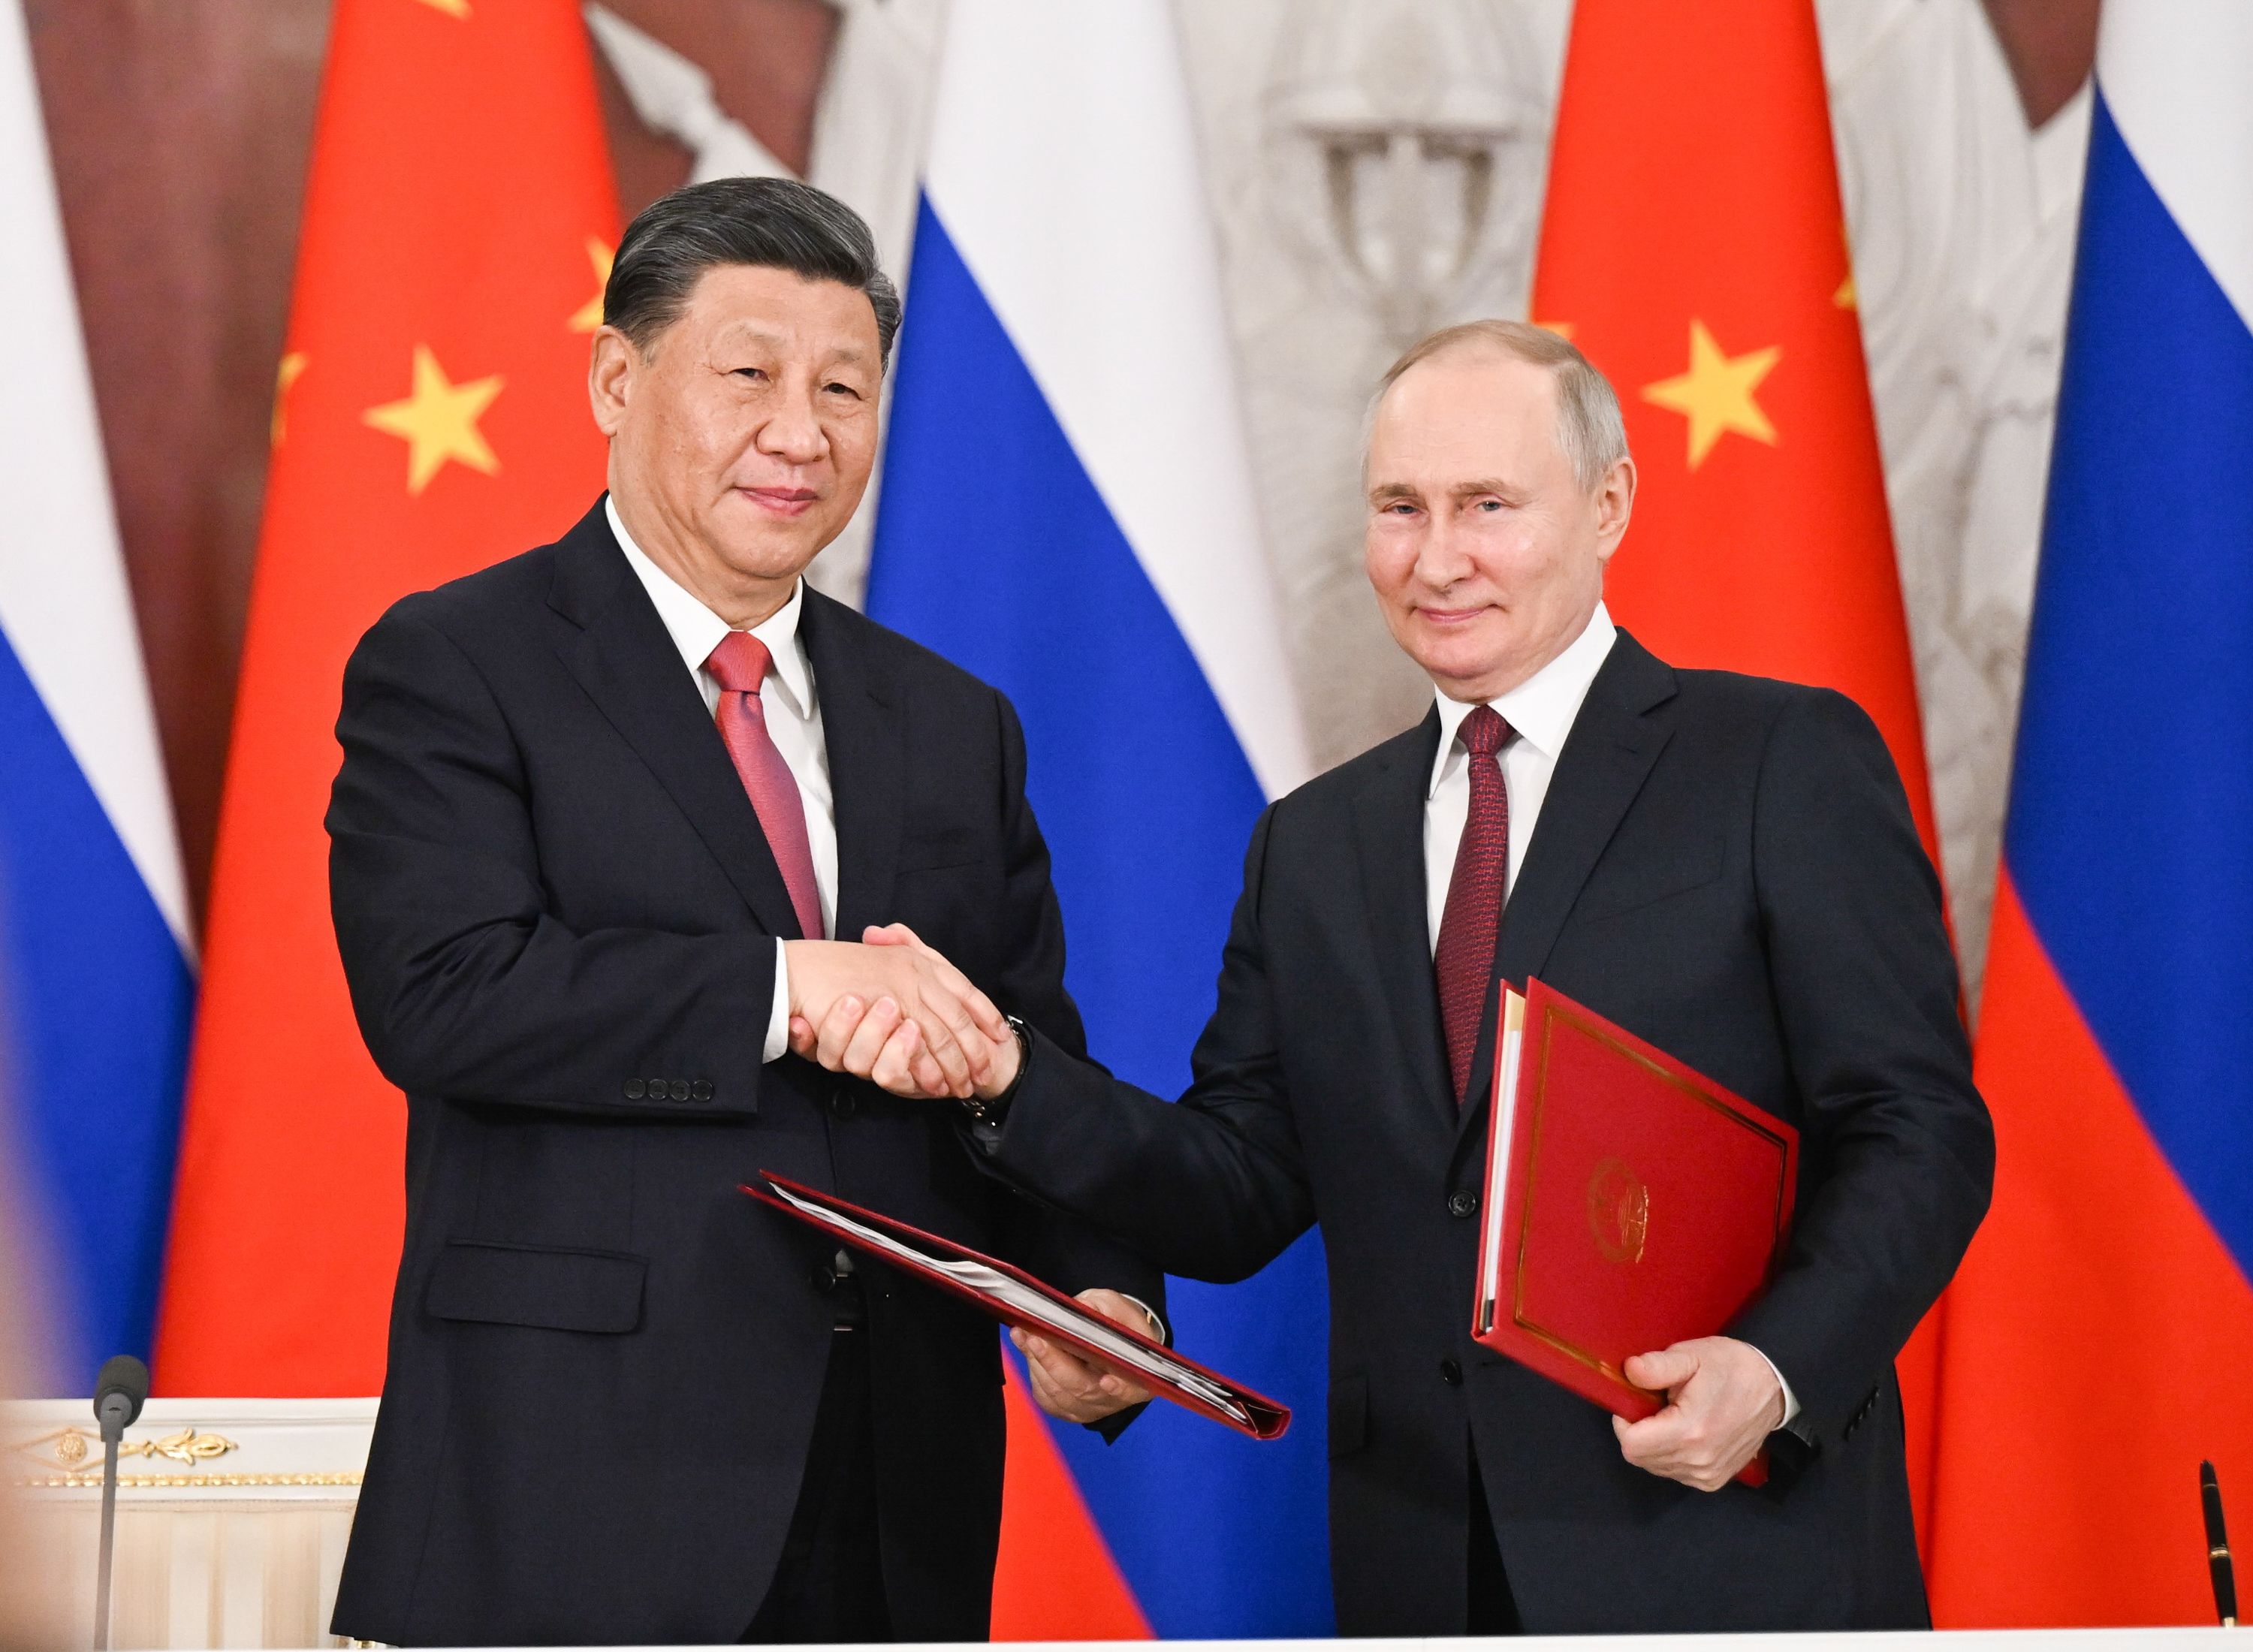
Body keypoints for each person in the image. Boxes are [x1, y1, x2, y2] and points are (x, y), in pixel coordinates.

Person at [802, 321, 1995, 1634]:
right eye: (1400, 508)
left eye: (1489, 506)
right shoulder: (1313, 843)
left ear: (1608, 506)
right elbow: (1240, 1185)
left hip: (1726, 1542)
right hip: (1417, 1562)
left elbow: (1919, 1129)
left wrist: (1776, 1369)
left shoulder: (1779, 759)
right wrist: (1010, 1075)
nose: (1438, 559)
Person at [325, 176, 1164, 1647]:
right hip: (576, 1478)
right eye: (751, 376)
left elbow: (1022, 1045)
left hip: (895, 1479)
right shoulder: (457, 662)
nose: (802, 431)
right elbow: (443, 993)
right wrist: (787, 989)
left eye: (845, 386)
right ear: (616, 378)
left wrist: (1093, 1281)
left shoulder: (952, 721)